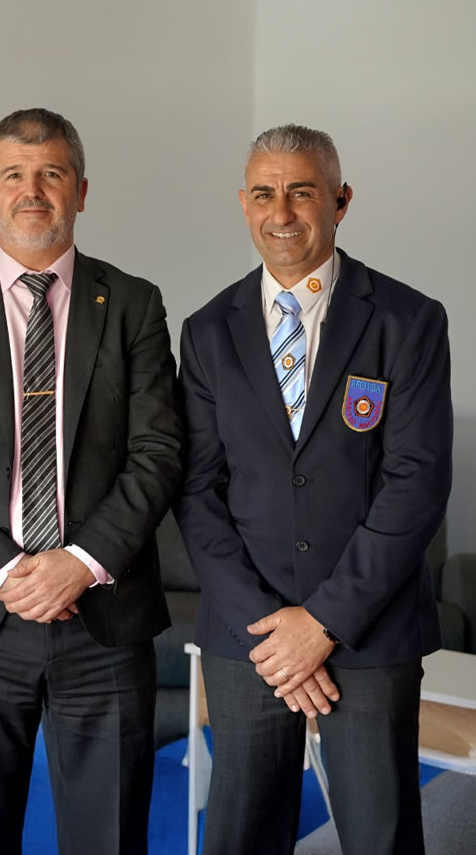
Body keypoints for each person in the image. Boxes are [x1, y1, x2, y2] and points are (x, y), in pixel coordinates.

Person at [0, 108, 182, 854]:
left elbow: (158, 450)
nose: (33, 191)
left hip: (104, 615)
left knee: (108, 836)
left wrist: (79, 562)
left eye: (51, 174)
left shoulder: (134, 303)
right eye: (14, 175)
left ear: (81, 191)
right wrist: (6, 571)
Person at [175, 123, 452, 855]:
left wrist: (323, 622)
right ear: (243, 204)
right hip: (251, 635)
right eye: (264, 194)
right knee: (241, 830)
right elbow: (196, 490)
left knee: (379, 833)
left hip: (369, 627)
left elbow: (417, 482)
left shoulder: (409, 320)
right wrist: (272, 630)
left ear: (341, 201)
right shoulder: (207, 331)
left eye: (302, 192)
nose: (282, 212)